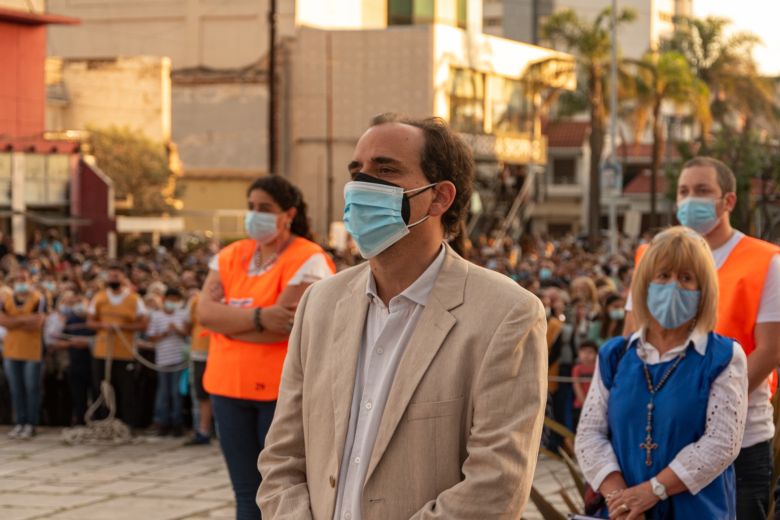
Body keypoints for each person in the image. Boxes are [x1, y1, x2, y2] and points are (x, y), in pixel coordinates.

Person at [258, 114, 548, 519]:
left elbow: (497, 484)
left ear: (439, 197)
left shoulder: (506, 314)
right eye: (356, 170)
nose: (361, 185)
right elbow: (282, 457)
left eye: (386, 169)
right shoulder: (320, 304)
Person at [624, 157, 780, 519]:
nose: (690, 199)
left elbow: (770, 350)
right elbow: (632, 339)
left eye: (702, 190)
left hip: (739, 443)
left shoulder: (766, 262)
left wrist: (702, 410)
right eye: (683, 191)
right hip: (660, 443)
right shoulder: (649, 256)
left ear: (728, 201)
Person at [577, 227, 748, 519]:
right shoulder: (616, 355)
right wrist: (622, 500)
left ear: (703, 290)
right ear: (646, 284)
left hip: (696, 511)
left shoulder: (722, 357)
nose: (673, 287)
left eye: (686, 278)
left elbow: (722, 443)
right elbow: (589, 434)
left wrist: (652, 491)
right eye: (664, 276)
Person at [198, 175, 335, 520]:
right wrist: (259, 317)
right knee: (246, 493)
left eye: (265, 209)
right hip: (227, 388)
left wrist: (230, 320)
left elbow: (283, 327)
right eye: (251, 208)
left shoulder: (309, 258)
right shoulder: (230, 255)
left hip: (281, 394)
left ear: (288, 214)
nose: (255, 215)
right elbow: (205, 314)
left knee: (280, 492)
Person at [87, 264, 148, 423]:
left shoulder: (134, 299)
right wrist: (102, 326)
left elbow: (143, 324)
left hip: (124, 352)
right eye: (111, 276)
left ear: (123, 278)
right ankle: (102, 420)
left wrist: (123, 327)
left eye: (116, 276)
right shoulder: (99, 297)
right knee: (101, 388)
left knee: (126, 389)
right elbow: (90, 322)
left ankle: (125, 422)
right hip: (102, 351)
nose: (113, 279)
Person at [0, 269, 46, 439]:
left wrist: (12, 322)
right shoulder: (6, 300)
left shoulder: (38, 298)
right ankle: (19, 422)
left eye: (23, 279)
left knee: (31, 388)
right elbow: (2, 321)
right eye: (17, 279)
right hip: (11, 350)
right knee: (16, 389)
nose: (20, 282)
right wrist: (24, 319)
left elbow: (37, 323)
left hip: (32, 352)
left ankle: (31, 424)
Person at [146, 287, 190, 436]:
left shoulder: (182, 314)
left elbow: (188, 333)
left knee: (176, 393)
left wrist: (177, 330)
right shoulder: (156, 316)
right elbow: (151, 337)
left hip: (178, 359)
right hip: (162, 360)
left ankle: (177, 423)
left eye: (175, 300)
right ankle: (163, 423)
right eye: (170, 300)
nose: (172, 303)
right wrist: (164, 333)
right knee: (163, 394)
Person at [184, 288, 213, 446]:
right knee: (202, 395)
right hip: (200, 352)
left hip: (220, 352)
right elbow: (189, 324)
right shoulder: (197, 300)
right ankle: (203, 430)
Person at [571, 339, 597, 431]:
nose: (586, 355)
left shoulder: (598, 368)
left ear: (596, 354)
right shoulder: (577, 369)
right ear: (579, 353)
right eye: (583, 352)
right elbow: (577, 387)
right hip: (580, 406)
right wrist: (586, 404)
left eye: (590, 352)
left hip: (596, 407)